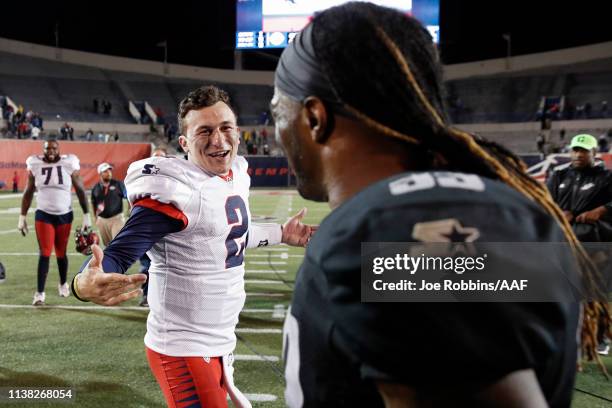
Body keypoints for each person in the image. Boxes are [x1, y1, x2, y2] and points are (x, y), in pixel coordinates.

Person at [271, 3, 607, 406]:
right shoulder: (496, 204)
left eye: (277, 112)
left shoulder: (399, 228)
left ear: (314, 117)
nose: (276, 132)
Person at [71, 85, 316, 407]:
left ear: (238, 133)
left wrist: (281, 233)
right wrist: (83, 282)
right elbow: (119, 252)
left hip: (218, 340)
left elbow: (223, 236)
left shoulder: (236, 173)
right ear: (184, 142)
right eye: (205, 131)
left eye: (225, 127)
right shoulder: (176, 190)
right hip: (183, 345)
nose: (218, 139)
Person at [547, 133, 612, 355]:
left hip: (596, 241)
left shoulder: (607, 177)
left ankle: (600, 338)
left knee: (596, 289)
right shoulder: (559, 175)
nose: (578, 154)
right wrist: (557, 213)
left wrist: (603, 210)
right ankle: (563, 333)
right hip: (562, 241)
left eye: (584, 151)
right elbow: (544, 201)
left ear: (595, 153)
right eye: (575, 150)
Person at [18, 139, 90, 306]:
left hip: (65, 214)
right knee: (44, 253)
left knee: (60, 253)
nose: (50, 151)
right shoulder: (34, 163)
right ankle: (40, 293)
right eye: (47, 148)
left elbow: (80, 189)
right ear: (43, 150)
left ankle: (63, 283)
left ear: (59, 149)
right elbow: (28, 191)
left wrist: (87, 215)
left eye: (53, 148)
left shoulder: (69, 162)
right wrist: (22, 217)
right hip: (43, 215)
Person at [91, 163, 128, 246]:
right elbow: (94, 203)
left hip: (117, 219)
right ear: (100, 173)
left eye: (109, 170)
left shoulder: (118, 184)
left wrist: (130, 209)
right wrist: (95, 218)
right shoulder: (95, 188)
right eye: (105, 171)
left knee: (118, 244)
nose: (109, 173)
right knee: (107, 246)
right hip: (102, 220)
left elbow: (128, 197)